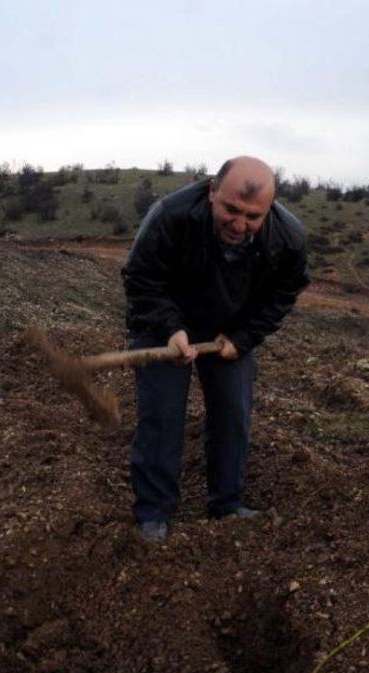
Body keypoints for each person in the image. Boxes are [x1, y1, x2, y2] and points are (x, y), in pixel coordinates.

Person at [122, 155, 309, 541]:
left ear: (269, 209)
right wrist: (171, 328)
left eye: (253, 217)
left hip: (229, 327)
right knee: (163, 414)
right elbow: (141, 277)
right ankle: (153, 512)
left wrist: (243, 337)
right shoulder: (171, 216)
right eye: (231, 210)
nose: (239, 225)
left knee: (232, 411)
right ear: (212, 191)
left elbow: (283, 293)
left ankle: (227, 503)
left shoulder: (288, 238)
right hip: (163, 321)